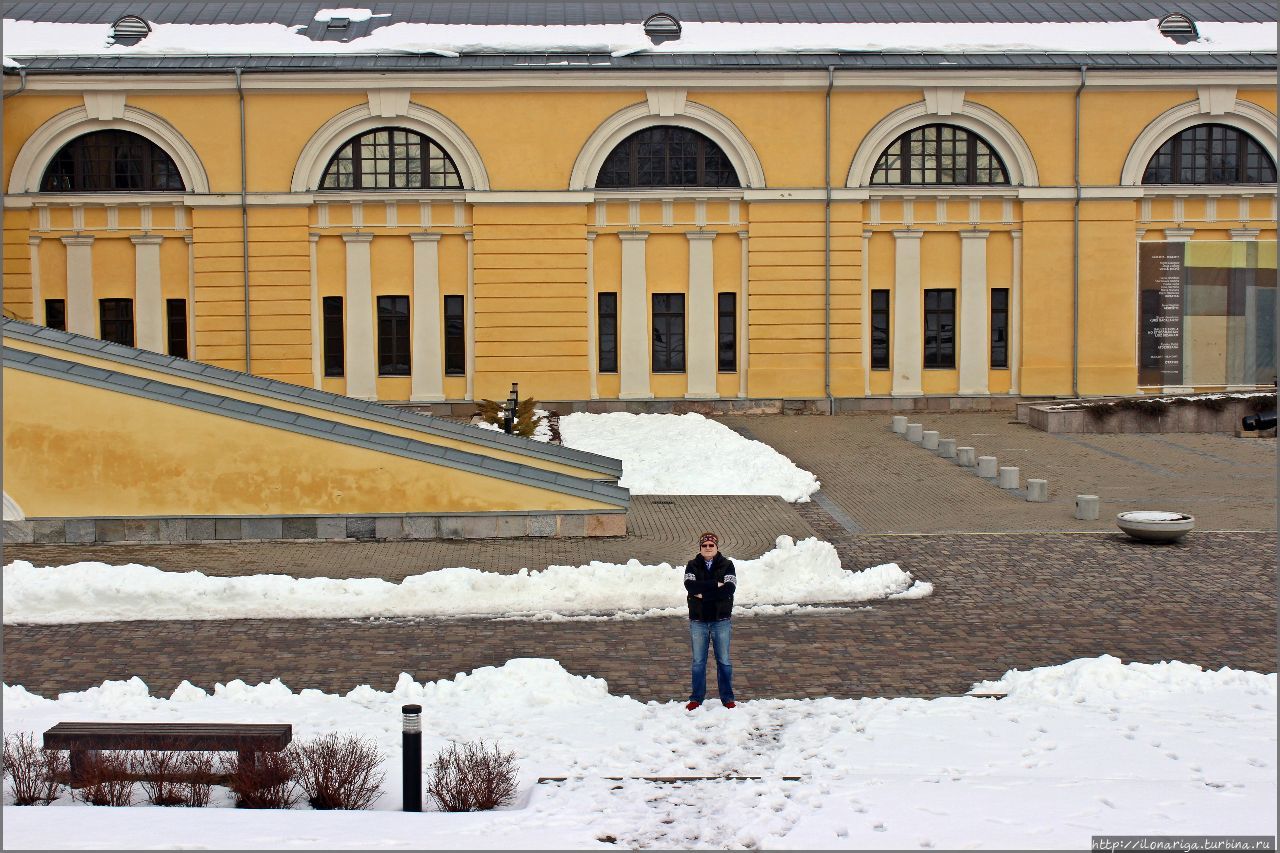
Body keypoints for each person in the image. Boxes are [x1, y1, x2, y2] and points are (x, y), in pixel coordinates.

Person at [683, 531, 737, 710]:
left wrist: (702, 595)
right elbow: (690, 586)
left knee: (724, 661)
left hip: (721, 619)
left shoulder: (727, 565)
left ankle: (727, 698)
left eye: (711, 545)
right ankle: (696, 698)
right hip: (698, 621)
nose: (708, 548)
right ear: (700, 548)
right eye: (704, 546)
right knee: (698, 662)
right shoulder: (692, 565)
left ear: (716, 547)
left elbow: (729, 589)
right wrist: (715, 584)